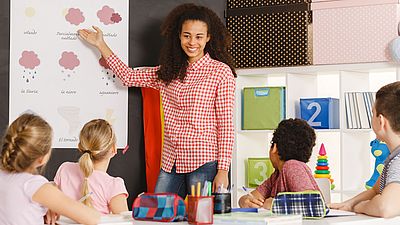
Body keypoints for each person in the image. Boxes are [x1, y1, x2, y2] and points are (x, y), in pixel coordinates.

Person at [78, 3, 236, 199]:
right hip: (171, 160)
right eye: (186, 35)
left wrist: (223, 170)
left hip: (204, 161)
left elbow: (226, 125)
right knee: (158, 216)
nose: (192, 42)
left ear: (208, 38)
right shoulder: (167, 72)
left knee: (201, 219)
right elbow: (127, 76)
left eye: (199, 36)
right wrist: (100, 44)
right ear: (179, 36)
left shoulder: (220, 72)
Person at [0, 113, 100, 225]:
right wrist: (50, 200)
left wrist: (46, 203)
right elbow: (93, 218)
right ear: (41, 158)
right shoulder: (35, 185)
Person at [330, 81, 400, 218]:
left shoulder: (398, 162)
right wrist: (349, 204)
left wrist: (359, 206)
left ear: (381, 121)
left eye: (372, 113)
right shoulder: (393, 158)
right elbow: (376, 188)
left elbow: (385, 207)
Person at [239, 118, 320, 209]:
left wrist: (275, 203)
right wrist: (244, 201)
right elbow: (252, 197)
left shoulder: (292, 166)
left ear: (274, 147)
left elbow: (312, 202)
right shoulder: (276, 175)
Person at [54, 119, 129, 214]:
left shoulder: (64, 169)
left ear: (80, 147)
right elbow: (124, 222)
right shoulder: (113, 185)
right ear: (114, 149)